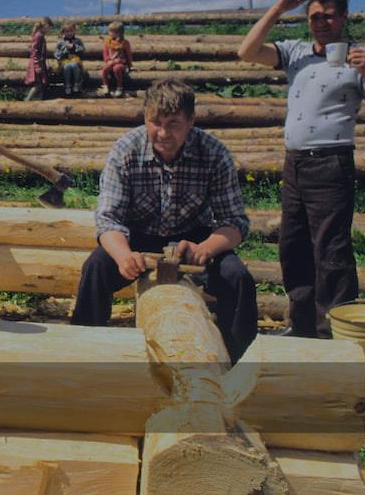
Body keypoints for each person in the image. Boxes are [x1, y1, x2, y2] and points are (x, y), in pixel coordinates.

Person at [238, 0, 365, 338]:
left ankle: (333, 334)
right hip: (294, 162)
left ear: (344, 17)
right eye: (314, 17)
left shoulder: (362, 58)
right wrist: (278, 7)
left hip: (331, 162)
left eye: (329, 16)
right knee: (293, 246)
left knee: (331, 250)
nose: (321, 23)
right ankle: (302, 326)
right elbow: (246, 51)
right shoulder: (295, 52)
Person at [70, 79, 257, 362]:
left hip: (193, 238)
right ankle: (83, 353)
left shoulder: (214, 153)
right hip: (138, 236)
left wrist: (206, 248)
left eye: (173, 124)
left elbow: (234, 222)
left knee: (237, 278)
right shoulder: (126, 150)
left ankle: (240, 361)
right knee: (96, 268)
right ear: (144, 118)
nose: (162, 133)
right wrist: (123, 256)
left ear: (191, 120)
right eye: (155, 122)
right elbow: (108, 219)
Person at [22, 16, 53, 101]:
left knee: (41, 85)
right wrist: (37, 66)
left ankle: (38, 102)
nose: (49, 30)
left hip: (40, 63)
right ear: (46, 25)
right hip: (37, 64)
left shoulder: (40, 35)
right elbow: (35, 52)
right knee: (38, 85)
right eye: (49, 28)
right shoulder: (39, 36)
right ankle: (27, 100)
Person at [101, 21, 133, 98]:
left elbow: (128, 54)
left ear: (119, 33)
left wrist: (130, 65)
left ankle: (119, 87)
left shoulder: (124, 43)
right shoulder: (107, 42)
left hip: (121, 62)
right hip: (110, 61)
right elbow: (105, 54)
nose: (110, 33)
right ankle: (105, 85)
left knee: (117, 68)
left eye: (112, 32)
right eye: (110, 31)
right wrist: (108, 60)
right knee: (105, 69)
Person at [54, 23, 85, 96]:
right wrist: (64, 52)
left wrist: (74, 47)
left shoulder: (78, 41)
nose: (69, 33)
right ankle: (67, 84)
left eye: (71, 31)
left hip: (76, 60)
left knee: (74, 65)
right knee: (67, 66)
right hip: (65, 61)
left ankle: (77, 83)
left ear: (74, 31)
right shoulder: (60, 42)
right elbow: (56, 54)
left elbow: (83, 50)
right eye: (67, 31)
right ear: (63, 32)